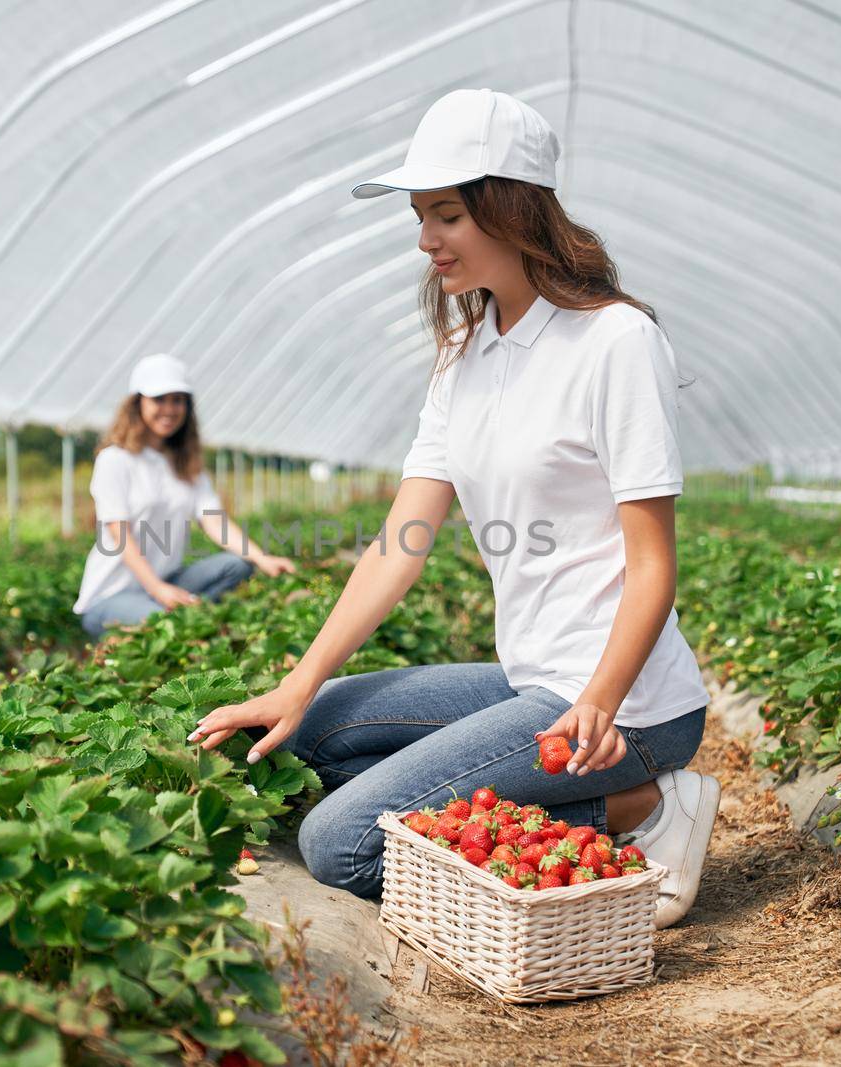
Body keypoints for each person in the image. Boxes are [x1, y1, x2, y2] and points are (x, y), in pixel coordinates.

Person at [186, 89, 721, 928]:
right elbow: (401, 541)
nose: (427, 239)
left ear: (513, 210)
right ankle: (572, 800)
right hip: (529, 675)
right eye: (419, 216)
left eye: (448, 215)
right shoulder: (465, 355)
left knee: (341, 840)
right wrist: (296, 684)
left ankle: (641, 808)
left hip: (626, 706)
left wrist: (602, 702)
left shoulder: (614, 341)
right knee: (310, 738)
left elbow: (653, 563)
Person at [73, 353, 296, 639]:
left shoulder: (184, 465)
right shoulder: (115, 460)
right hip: (111, 596)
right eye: (159, 399)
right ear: (137, 403)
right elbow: (120, 536)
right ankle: (176, 617)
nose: (169, 409)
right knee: (167, 623)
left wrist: (263, 558)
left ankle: (183, 613)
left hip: (167, 580)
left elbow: (214, 521)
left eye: (177, 400)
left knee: (236, 565)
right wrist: (157, 589)